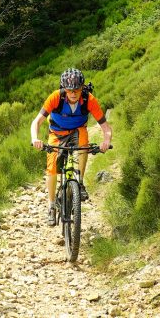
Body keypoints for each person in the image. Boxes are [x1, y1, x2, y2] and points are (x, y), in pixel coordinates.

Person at [30, 68, 112, 225]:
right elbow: (37, 121)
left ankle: (79, 183)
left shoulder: (89, 100)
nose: (73, 93)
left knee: (84, 143)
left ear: (82, 88)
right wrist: (35, 138)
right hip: (57, 133)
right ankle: (52, 206)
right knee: (52, 167)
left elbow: (105, 127)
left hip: (77, 130)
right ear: (64, 89)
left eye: (77, 89)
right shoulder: (56, 97)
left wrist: (106, 141)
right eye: (69, 90)